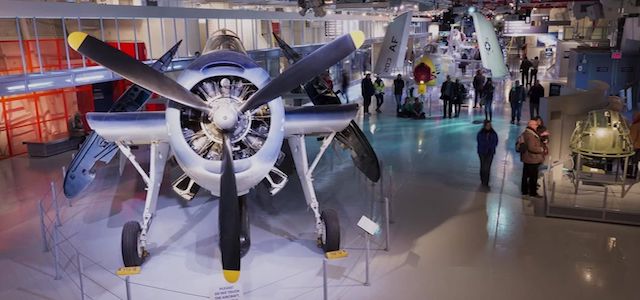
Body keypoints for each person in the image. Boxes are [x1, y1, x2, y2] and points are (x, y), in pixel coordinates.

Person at [520, 120, 546, 197]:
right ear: (531, 125)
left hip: (528, 158)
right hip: (532, 159)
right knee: (533, 177)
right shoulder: (530, 135)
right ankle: (532, 192)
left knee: (526, 176)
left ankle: (524, 191)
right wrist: (541, 149)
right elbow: (531, 148)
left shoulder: (527, 133)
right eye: (535, 124)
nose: (537, 126)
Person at [477, 120, 499, 186]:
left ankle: (486, 181)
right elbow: (480, 142)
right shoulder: (480, 133)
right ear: (484, 126)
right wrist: (486, 146)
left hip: (490, 152)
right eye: (487, 125)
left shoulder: (493, 133)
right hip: (482, 152)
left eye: (490, 125)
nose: (489, 127)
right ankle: (483, 179)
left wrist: (491, 147)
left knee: (487, 167)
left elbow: (495, 142)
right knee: (483, 166)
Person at [629, 112, 640, 177]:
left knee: (635, 162)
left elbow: (632, 138)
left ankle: (633, 174)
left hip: (637, 148)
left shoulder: (636, 126)